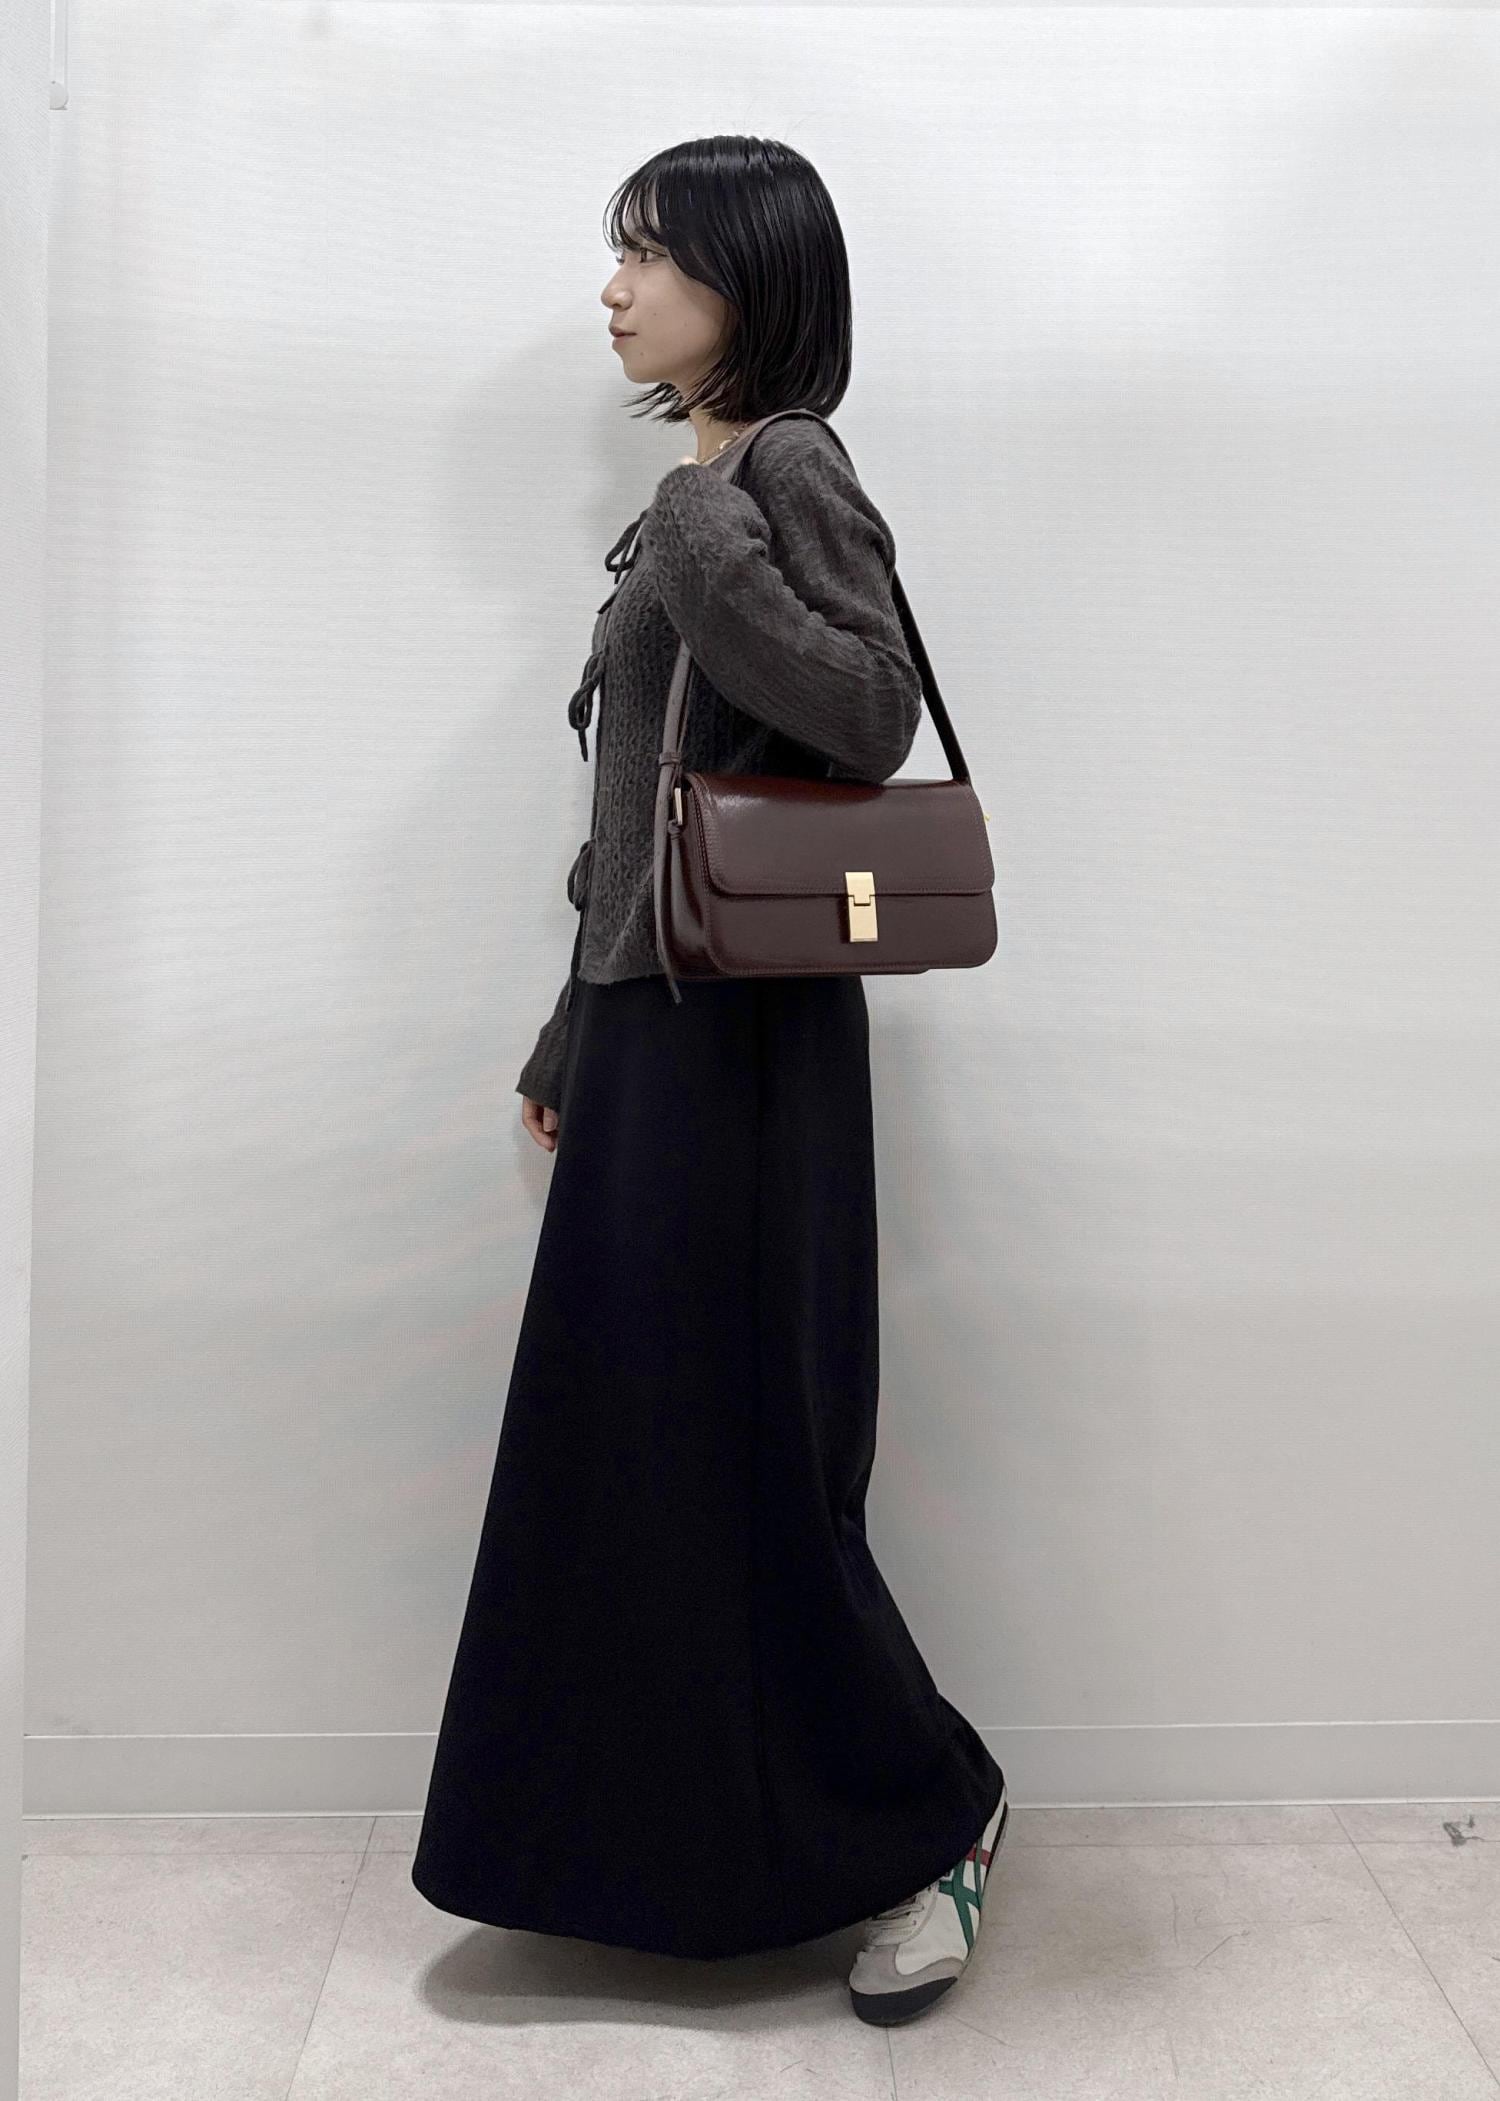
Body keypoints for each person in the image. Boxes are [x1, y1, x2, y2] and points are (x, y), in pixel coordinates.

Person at [409, 133, 1008, 2028]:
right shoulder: (697, 489)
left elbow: (866, 711)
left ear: (749, 278)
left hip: (753, 1042)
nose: (615, 289)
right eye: (620, 256)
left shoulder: (781, 468)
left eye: (649, 256)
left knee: (751, 1446)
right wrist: (571, 1030)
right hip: (654, 1033)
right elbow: (638, 817)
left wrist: (696, 529)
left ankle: (935, 1818)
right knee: (634, 1449)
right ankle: (664, 1854)